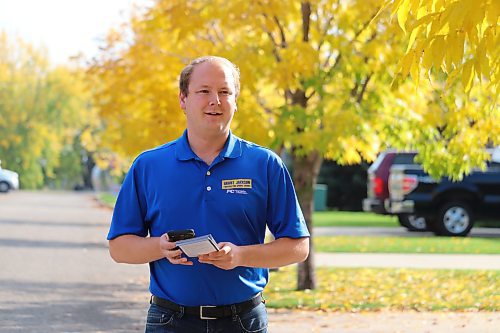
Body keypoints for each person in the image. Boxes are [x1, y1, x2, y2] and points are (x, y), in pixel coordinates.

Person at [107, 55, 310, 333]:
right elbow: (119, 247)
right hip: (170, 321)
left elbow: (298, 247)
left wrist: (240, 256)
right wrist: (159, 248)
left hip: (243, 321)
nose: (215, 100)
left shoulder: (264, 164)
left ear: (235, 101)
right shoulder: (148, 166)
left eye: (225, 92)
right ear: (183, 99)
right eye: (204, 91)